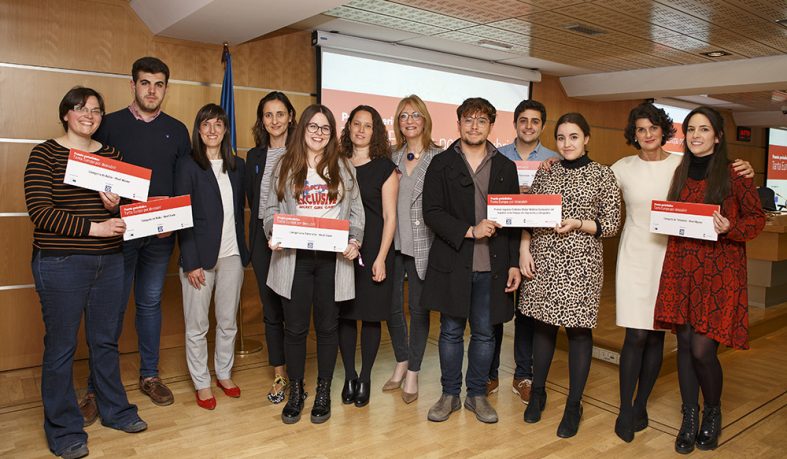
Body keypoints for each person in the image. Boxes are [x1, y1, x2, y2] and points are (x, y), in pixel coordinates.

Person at [611, 103, 755, 442]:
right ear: (634, 134)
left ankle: (681, 409)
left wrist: (744, 169)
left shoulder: (685, 165)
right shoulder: (629, 166)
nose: (647, 134)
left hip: (681, 260)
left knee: (679, 342)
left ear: (664, 131)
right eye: (640, 129)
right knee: (643, 336)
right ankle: (650, 412)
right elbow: (593, 185)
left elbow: (746, 213)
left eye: (703, 130)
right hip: (650, 257)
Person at [25, 87, 147, 459]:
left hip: (109, 263)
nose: (89, 114)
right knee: (61, 348)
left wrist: (114, 205)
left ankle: (115, 411)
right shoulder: (44, 153)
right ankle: (64, 431)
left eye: (96, 109)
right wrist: (96, 227)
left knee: (106, 341)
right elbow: (40, 212)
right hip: (61, 264)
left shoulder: (111, 156)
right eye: (80, 108)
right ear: (66, 114)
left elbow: (124, 209)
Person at [81, 57, 190, 420]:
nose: (151, 90)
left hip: (160, 238)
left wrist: (175, 217)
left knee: (149, 305)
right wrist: (102, 194)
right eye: (145, 83)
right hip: (119, 235)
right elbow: (92, 171)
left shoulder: (177, 130)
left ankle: (150, 375)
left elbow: (182, 183)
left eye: (159, 84)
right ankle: (97, 388)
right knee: (109, 310)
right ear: (133, 85)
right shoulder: (108, 125)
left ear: (165, 89)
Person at [653, 106, 765, 454]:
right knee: (684, 346)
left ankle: (713, 412)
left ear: (718, 136)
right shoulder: (679, 169)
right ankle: (690, 417)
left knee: (703, 349)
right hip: (681, 267)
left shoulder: (736, 173)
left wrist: (732, 227)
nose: (696, 135)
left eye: (704, 129)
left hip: (719, 271)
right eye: (691, 129)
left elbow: (756, 220)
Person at [519, 112, 621, 438]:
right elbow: (529, 214)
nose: (566, 143)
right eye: (561, 137)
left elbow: (612, 224)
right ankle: (538, 392)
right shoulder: (546, 172)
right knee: (543, 328)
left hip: (581, 264)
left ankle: (574, 403)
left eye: (573, 137)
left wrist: (578, 223)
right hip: (544, 258)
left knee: (578, 333)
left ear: (586, 138)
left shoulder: (602, 175)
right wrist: (524, 250)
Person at [263, 104, 365, 424]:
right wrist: (272, 233)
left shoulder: (345, 168)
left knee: (327, 327)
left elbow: (357, 214)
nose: (319, 134)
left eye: (325, 128)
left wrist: (354, 241)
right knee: (294, 329)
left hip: (332, 259)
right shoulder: (284, 165)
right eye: (313, 127)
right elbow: (269, 209)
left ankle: (323, 391)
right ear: (303, 129)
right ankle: (296, 391)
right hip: (295, 258)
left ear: (332, 134)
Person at [422, 97, 521, 424]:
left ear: (491, 125)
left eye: (481, 120)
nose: (474, 126)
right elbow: (431, 213)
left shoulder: (506, 167)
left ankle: (476, 395)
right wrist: (469, 230)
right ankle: (449, 394)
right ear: (459, 123)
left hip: (491, 268)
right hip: (453, 262)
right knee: (450, 332)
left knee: (484, 334)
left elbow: (512, 220)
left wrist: (512, 264)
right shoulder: (440, 164)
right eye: (468, 119)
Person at [175, 104, 249, 410]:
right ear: (198, 129)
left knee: (228, 321)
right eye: (206, 125)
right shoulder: (187, 165)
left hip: (232, 256)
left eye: (218, 124)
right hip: (199, 258)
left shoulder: (238, 165)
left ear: (225, 130)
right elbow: (182, 214)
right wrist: (189, 261)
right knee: (197, 325)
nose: (212, 130)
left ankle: (223, 373)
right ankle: (202, 383)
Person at [489, 99, 561, 403]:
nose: (529, 126)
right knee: (494, 309)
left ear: (542, 126)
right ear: (515, 123)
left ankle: (523, 374)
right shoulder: (497, 156)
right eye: (523, 120)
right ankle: (489, 372)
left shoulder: (555, 160)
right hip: (502, 240)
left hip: (537, 243)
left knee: (527, 313)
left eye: (535, 121)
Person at [383, 95, 442, 403]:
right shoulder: (390, 156)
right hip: (392, 245)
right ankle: (401, 361)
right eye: (403, 116)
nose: (409, 121)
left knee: (419, 310)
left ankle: (414, 372)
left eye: (415, 115)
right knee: (391, 309)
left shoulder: (440, 156)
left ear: (425, 121)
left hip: (424, 246)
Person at [338, 105, 398, 407]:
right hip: (341, 250)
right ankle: (348, 375)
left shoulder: (386, 167)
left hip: (374, 250)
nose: (361, 130)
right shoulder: (335, 163)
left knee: (371, 317)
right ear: (348, 128)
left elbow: (390, 217)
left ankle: (365, 377)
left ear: (376, 131)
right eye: (356, 124)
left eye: (368, 125)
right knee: (345, 316)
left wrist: (381, 257)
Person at [245, 92, 296, 404]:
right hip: (264, 241)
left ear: (291, 116)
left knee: (294, 310)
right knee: (271, 309)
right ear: (262, 120)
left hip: (294, 239)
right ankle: (280, 373)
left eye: (280, 114)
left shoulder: (304, 153)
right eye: (268, 115)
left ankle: (298, 374)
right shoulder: (254, 157)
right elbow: (255, 202)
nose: (274, 121)